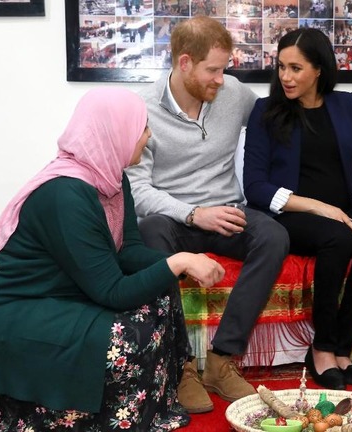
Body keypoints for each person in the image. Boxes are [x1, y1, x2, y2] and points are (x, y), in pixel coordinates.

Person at [0, 88, 226, 431]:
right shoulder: (65, 194)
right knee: (127, 335)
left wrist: (180, 262)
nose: (148, 136)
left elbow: (127, 251)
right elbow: (111, 292)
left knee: (161, 294)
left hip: (60, 295)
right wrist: (177, 263)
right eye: (142, 128)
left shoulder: (113, 178)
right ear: (115, 132)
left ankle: (152, 405)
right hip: (10, 311)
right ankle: (101, 417)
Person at [125, 16, 290, 413]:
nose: (222, 79)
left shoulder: (233, 93)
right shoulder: (141, 109)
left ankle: (220, 361)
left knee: (274, 236)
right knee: (149, 234)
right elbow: (137, 190)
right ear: (184, 63)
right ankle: (181, 367)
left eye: (225, 68)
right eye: (213, 70)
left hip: (228, 213)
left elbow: (280, 118)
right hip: (173, 217)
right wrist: (193, 213)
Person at [242, 27, 352, 390]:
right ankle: (322, 349)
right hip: (290, 215)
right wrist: (317, 207)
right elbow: (255, 187)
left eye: (296, 68)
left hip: (339, 213)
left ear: (319, 70)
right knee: (338, 239)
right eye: (281, 67)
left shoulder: (345, 106)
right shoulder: (266, 111)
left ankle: (343, 350)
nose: (285, 77)